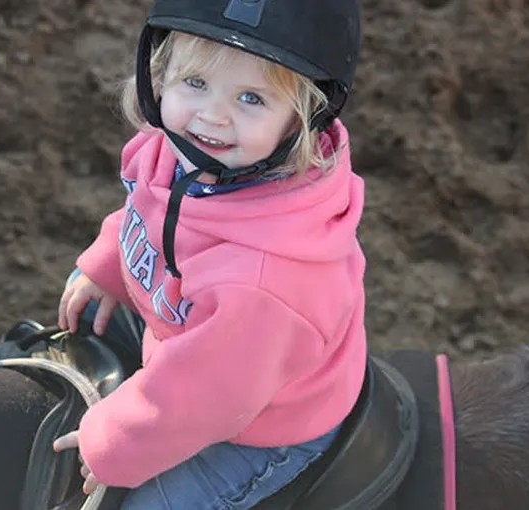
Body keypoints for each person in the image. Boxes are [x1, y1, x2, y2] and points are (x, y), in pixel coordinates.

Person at [53, 0, 367, 508]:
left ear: (298, 122)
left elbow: (203, 400)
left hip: (263, 420)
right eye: (195, 83)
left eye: (251, 98)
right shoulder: (181, 150)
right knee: (85, 302)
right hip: (206, 345)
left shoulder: (264, 284)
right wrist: (110, 262)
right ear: (161, 74)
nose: (212, 116)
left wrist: (110, 441)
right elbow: (149, 206)